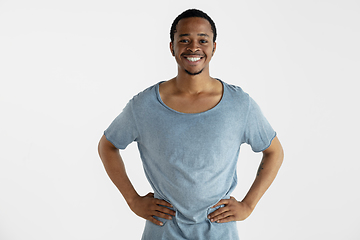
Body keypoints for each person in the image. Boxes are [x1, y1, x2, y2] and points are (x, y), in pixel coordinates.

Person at [98, 9, 284, 240]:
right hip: (162, 232)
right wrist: (132, 200)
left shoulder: (239, 105)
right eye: (184, 40)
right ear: (172, 47)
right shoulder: (143, 106)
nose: (193, 47)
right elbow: (107, 145)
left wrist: (248, 205)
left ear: (214, 47)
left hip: (219, 233)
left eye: (202, 40)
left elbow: (274, 151)